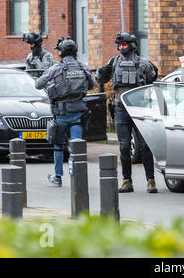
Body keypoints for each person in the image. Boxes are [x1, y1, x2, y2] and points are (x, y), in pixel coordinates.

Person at [96, 32, 158, 193]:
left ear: (132, 45)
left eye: (124, 44)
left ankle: (150, 180)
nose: (121, 47)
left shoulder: (143, 62)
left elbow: (151, 79)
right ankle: (126, 181)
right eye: (120, 45)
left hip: (139, 109)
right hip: (121, 109)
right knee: (124, 147)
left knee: (144, 146)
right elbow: (100, 78)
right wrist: (101, 72)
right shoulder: (115, 62)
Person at [35, 37, 95, 186]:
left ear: (61, 53)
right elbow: (92, 84)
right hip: (78, 115)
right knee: (76, 147)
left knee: (58, 146)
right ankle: (76, 176)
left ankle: (58, 177)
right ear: (75, 52)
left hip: (61, 115)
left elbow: (38, 84)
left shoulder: (56, 68)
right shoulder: (82, 67)